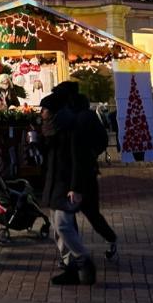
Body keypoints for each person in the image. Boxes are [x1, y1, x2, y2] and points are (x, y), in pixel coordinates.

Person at [55, 83, 118, 262]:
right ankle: (105, 241)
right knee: (81, 214)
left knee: (85, 212)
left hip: (82, 172)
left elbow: (96, 142)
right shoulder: (82, 117)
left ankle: (79, 254)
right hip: (81, 171)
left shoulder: (80, 119)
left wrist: (90, 153)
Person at [40, 89, 97, 286]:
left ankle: (83, 260)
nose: (41, 113)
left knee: (63, 224)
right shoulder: (52, 129)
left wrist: (76, 187)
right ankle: (69, 265)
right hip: (55, 182)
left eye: (44, 109)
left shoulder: (70, 128)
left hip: (66, 183)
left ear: (53, 111)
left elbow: (77, 160)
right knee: (56, 227)